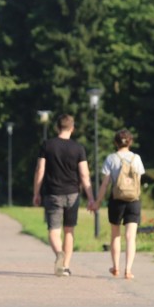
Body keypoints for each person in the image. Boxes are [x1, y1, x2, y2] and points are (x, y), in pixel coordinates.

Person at [32, 114, 95, 276]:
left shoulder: (47, 145)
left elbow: (40, 170)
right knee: (69, 231)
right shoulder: (78, 148)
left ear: (56, 127)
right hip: (73, 194)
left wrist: (36, 193)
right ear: (72, 128)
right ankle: (65, 267)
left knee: (53, 230)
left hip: (53, 193)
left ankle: (59, 253)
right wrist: (91, 197)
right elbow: (84, 175)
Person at [92, 129, 145, 279]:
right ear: (130, 142)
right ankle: (128, 270)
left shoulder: (111, 158)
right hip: (133, 201)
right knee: (130, 237)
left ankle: (116, 267)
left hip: (116, 201)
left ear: (115, 142)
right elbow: (138, 182)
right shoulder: (136, 158)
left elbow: (105, 184)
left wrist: (97, 202)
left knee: (115, 235)